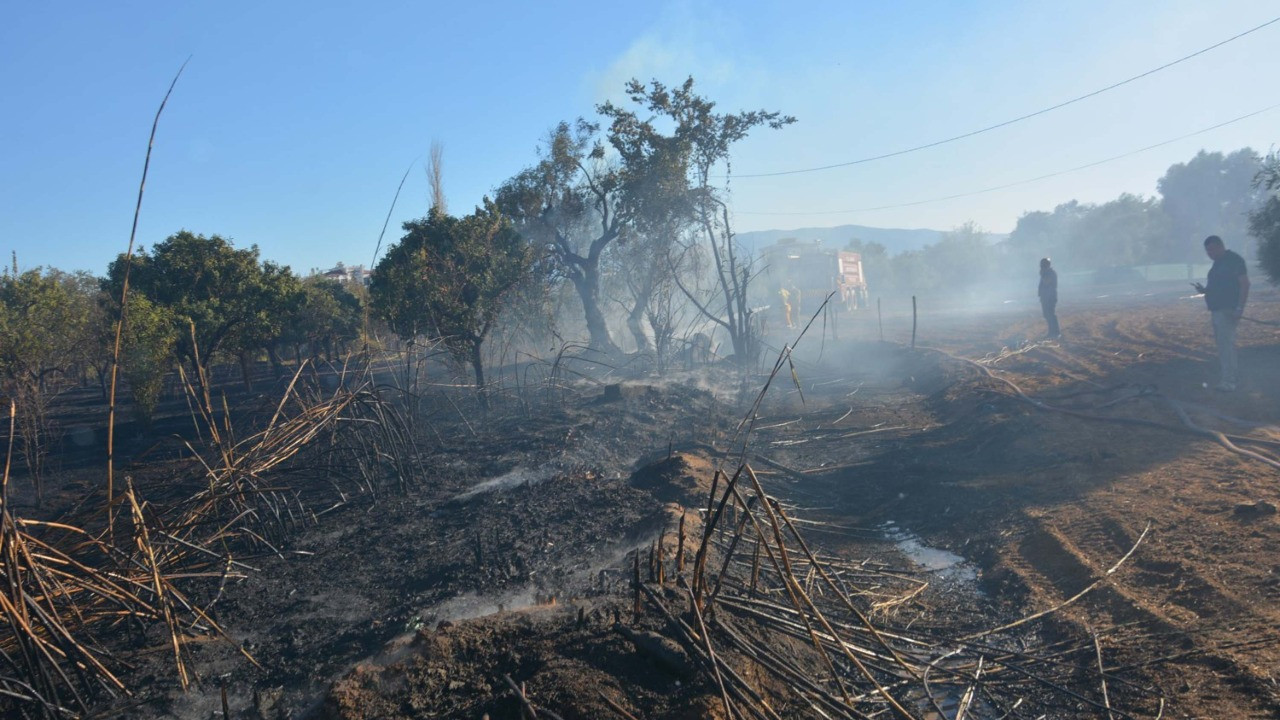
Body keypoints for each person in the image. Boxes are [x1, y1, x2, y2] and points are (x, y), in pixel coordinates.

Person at [1193, 235, 1250, 391]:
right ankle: (1230, 378)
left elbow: (1244, 284)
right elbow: (1219, 287)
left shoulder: (1234, 260)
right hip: (1217, 310)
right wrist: (1205, 291)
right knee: (1224, 345)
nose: (1209, 253)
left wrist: (1239, 308)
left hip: (1227, 310)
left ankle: (1229, 381)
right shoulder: (1218, 264)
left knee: (1226, 346)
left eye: (1211, 249)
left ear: (1220, 246)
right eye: (1207, 251)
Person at [1038, 257, 1059, 338]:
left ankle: (1056, 332)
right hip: (1045, 297)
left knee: (1050, 314)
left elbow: (1047, 282)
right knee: (1047, 315)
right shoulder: (1046, 272)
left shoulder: (1051, 273)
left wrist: (1042, 275)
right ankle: (1051, 332)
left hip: (1050, 297)